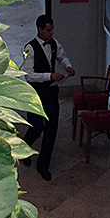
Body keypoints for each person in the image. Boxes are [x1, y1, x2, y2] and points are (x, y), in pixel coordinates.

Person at [20, 14, 74, 181]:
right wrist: (50, 76)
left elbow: (62, 56)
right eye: (48, 30)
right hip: (35, 94)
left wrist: (68, 66)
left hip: (50, 92)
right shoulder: (30, 48)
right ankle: (24, 150)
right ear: (40, 29)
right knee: (36, 127)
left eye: (52, 30)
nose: (51, 33)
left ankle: (43, 165)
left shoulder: (54, 43)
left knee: (52, 128)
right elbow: (28, 75)